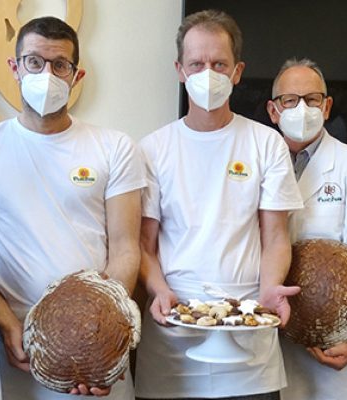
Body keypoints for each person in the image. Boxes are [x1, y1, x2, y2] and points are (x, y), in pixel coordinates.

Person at [0, 16, 145, 399]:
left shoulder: (115, 147)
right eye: (34, 62)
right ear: (15, 68)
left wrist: (100, 331)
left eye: (60, 64)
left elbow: (126, 247)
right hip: (17, 345)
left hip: (97, 342)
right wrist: (8, 325)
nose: (47, 74)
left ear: (76, 76)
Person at [134, 10, 303, 400]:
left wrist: (270, 289)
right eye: (197, 64)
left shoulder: (266, 143)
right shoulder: (154, 148)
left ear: (237, 71)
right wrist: (158, 290)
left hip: (248, 323)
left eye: (219, 64)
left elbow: (276, 237)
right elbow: (144, 244)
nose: (207, 74)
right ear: (180, 70)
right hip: (174, 330)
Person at [265, 58, 347, 400]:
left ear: (327, 106)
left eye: (312, 99)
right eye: (290, 100)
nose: (302, 109)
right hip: (280, 337)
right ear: (274, 111)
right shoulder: (260, 163)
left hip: (343, 338)